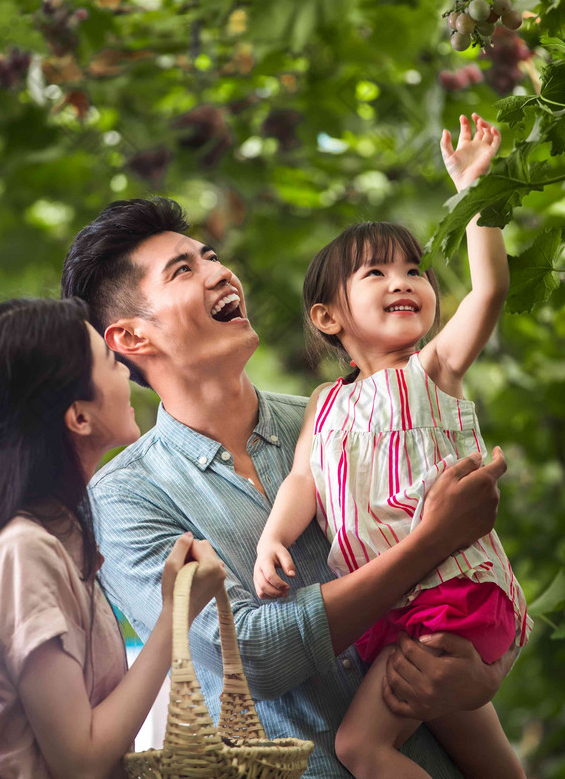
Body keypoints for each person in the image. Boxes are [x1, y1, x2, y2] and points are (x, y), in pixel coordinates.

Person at [60, 191, 514, 779]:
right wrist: (429, 541)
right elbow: (247, 656)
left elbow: (471, 576)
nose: (221, 272)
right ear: (131, 339)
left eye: (211, 255)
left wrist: (483, 675)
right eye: (183, 270)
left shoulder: (346, 419)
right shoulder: (124, 498)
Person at [254, 114, 531, 779]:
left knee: (361, 749)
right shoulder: (324, 405)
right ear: (328, 317)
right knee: (499, 769)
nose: (402, 280)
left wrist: (474, 192)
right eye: (375, 273)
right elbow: (302, 482)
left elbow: (490, 289)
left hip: (451, 593)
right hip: (396, 605)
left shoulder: (431, 371)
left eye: (414, 270)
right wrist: (273, 537)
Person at [0, 297, 225, 779]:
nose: (123, 370)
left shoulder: (50, 540)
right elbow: (80, 759)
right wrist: (174, 619)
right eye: (107, 361)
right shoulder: (25, 551)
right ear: (78, 417)